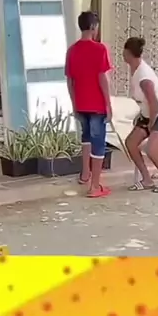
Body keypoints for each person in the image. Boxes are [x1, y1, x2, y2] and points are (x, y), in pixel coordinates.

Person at [123, 37, 158, 192]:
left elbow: (154, 102)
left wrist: (152, 123)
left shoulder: (144, 77)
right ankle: (146, 179)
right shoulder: (135, 69)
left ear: (127, 53)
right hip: (149, 113)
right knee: (131, 143)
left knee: (151, 149)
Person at [65, 11, 112, 198]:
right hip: (97, 105)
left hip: (81, 103)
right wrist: (108, 104)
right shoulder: (100, 49)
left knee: (86, 137)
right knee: (98, 143)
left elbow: (70, 81)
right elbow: (102, 78)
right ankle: (95, 186)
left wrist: (74, 103)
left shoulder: (72, 50)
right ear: (93, 27)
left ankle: (85, 174)